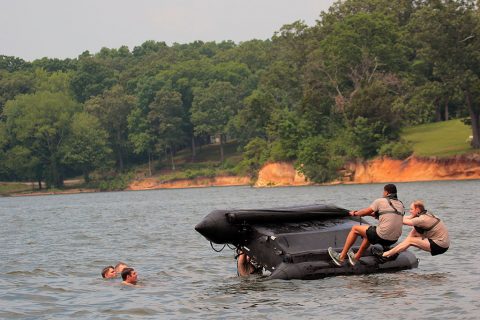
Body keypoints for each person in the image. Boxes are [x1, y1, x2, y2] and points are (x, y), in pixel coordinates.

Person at [328, 184, 404, 266]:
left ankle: (341, 257)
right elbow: (389, 216)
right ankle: (356, 257)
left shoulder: (380, 201)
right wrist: (370, 214)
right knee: (369, 232)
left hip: (382, 236)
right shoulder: (401, 204)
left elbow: (365, 212)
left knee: (354, 229)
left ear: (386, 192)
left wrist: (354, 213)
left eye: (383, 191)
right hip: (393, 240)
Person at [383, 200, 450, 258]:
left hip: (440, 245)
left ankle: (386, 254)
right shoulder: (425, 214)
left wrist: (387, 217)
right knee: (413, 232)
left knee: (411, 240)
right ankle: (397, 251)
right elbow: (406, 218)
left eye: (411, 209)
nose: (410, 211)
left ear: (417, 210)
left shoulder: (422, 219)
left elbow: (403, 221)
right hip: (440, 242)